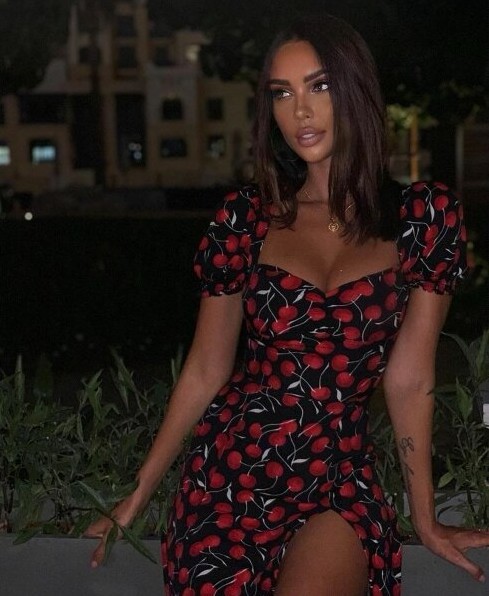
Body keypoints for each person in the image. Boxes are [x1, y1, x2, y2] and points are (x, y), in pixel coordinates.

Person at [85, 13, 489, 595]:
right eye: (282, 93)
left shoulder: (423, 218)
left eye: (318, 86)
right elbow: (206, 368)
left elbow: (409, 378)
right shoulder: (245, 220)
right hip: (233, 475)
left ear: (355, 90)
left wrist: (423, 518)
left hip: (337, 482)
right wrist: (138, 493)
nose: (300, 110)